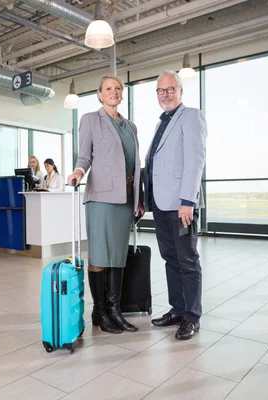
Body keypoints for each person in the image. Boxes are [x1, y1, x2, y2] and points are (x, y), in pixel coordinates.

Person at [68, 74, 144, 335]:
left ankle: (115, 310)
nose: (114, 91)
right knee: (100, 255)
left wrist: (139, 198)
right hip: (100, 197)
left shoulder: (131, 127)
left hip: (125, 199)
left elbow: (135, 164)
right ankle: (100, 311)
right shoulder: (90, 120)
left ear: (122, 94)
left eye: (118, 88)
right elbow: (84, 156)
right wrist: (78, 171)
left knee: (118, 257)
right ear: (100, 94)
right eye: (108, 88)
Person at [145, 71, 206, 340]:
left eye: (171, 89)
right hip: (161, 204)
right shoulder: (161, 123)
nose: (166, 94)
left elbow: (195, 161)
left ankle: (192, 317)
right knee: (170, 259)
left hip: (180, 206)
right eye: (161, 90)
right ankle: (178, 309)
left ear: (180, 91)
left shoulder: (191, 116)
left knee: (187, 260)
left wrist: (187, 201)